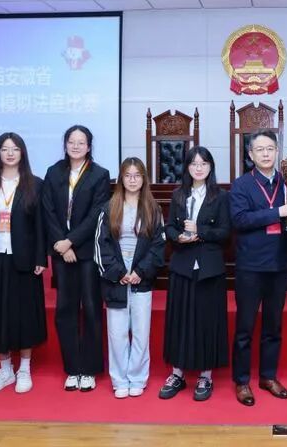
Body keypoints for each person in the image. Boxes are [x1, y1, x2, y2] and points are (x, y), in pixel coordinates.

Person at [229, 130, 287, 406]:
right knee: (245, 327)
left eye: (270, 148)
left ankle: (268, 377)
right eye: (260, 149)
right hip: (250, 266)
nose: (266, 153)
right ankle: (242, 381)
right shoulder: (241, 185)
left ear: (277, 151)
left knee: (273, 326)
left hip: (279, 263)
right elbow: (240, 220)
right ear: (250, 155)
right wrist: (277, 212)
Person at [0, 132, 47, 394]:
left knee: (25, 313)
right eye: (5, 149)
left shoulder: (35, 184)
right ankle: (5, 370)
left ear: (22, 153)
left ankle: (24, 368)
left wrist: (41, 257)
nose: (10, 153)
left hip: (24, 257)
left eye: (15, 148)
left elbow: (40, 225)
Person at [42, 125, 111, 392]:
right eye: (72, 141)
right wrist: (62, 245)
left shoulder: (99, 175)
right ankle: (72, 368)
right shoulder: (53, 172)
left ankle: (89, 369)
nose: (76, 146)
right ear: (65, 144)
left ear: (89, 146)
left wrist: (71, 241)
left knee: (92, 308)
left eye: (81, 142)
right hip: (62, 251)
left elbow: (97, 214)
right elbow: (48, 211)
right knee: (65, 309)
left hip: (87, 252)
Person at [160, 146, 230, 402]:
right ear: (187, 167)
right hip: (183, 265)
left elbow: (225, 232)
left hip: (209, 268)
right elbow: (169, 226)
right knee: (180, 320)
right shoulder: (178, 194)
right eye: (193, 164)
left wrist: (200, 231)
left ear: (210, 167)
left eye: (203, 163)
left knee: (207, 321)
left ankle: (205, 376)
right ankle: (177, 373)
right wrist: (177, 236)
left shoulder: (220, 196)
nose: (198, 168)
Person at [94, 157, 165, 399]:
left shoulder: (153, 209)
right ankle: (120, 379)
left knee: (141, 332)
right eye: (128, 175)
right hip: (116, 277)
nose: (132, 180)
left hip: (141, 277)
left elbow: (158, 247)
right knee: (117, 333)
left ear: (144, 179)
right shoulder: (108, 208)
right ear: (121, 179)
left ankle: (137, 377)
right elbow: (100, 246)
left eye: (137, 175)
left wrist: (139, 272)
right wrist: (119, 273)